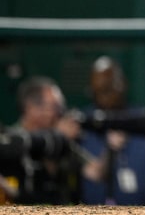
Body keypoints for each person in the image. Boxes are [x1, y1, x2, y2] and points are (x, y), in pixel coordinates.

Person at [79, 56, 145, 205]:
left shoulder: (144, 122)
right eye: (97, 92)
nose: (102, 97)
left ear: (123, 84)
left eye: (107, 88)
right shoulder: (82, 123)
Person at [0, 76, 85, 204]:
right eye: (55, 107)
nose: (60, 114)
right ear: (31, 108)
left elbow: (94, 172)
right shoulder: (10, 143)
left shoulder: (60, 143)